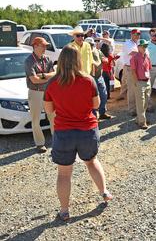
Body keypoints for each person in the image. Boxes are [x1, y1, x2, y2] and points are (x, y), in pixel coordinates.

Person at [44, 45, 112, 221]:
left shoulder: (52, 83)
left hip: (64, 132)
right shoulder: (88, 80)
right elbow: (96, 105)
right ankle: (104, 192)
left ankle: (65, 210)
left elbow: (49, 110)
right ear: (78, 60)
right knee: (91, 162)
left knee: (64, 173)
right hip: (87, 130)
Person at [24, 37, 56, 153]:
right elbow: (34, 80)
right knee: (35, 119)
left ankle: (56, 140)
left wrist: (42, 75)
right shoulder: (29, 61)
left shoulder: (47, 59)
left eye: (45, 46)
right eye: (43, 46)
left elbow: (54, 74)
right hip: (35, 92)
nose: (45, 48)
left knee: (53, 116)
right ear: (35, 46)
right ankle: (40, 143)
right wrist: (47, 76)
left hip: (48, 92)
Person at [86, 38, 111, 120]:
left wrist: (105, 60)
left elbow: (104, 58)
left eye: (92, 44)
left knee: (104, 95)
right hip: (90, 78)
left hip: (99, 76)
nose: (91, 46)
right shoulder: (85, 53)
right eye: (89, 45)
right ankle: (93, 115)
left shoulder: (97, 51)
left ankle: (102, 112)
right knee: (92, 97)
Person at [130, 39, 152, 129]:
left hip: (147, 81)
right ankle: (142, 122)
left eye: (146, 46)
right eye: (143, 46)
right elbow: (133, 71)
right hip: (139, 82)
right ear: (138, 47)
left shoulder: (147, 56)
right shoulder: (134, 58)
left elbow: (149, 68)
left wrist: (148, 80)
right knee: (140, 103)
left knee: (146, 102)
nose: (145, 48)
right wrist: (136, 82)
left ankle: (139, 118)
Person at [117, 29, 140, 115]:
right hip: (129, 68)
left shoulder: (136, 43)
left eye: (138, 34)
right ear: (132, 34)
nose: (137, 36)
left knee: (136, 88)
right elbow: (133, 53)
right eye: (135, 34)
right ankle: (132, 109)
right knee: (131, 89)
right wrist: (142, 51)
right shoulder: (128, 43)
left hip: (136, 68)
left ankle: (138, 107)